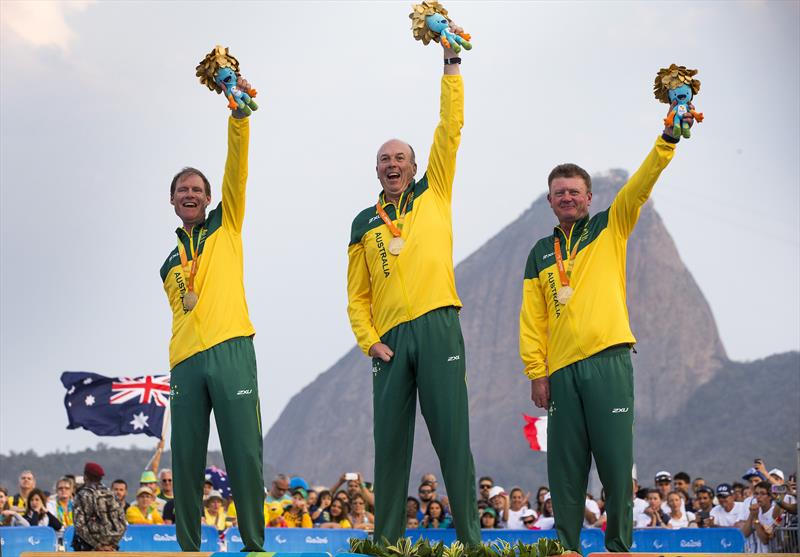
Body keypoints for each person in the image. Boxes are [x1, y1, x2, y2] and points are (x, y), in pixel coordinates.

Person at [519, 99, 688, 551]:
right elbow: (532, 319)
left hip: (609, 361)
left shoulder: (611, 226)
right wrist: (537, 370)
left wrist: (667, 139)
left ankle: (618, 546)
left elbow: (641, 184)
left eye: (575, 191)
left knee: (615, 465)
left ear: (589, 197)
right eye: (559, 192)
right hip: (562, 371)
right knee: (565, 469)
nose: (568, 197)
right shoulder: (539, 253)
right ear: (550, 200)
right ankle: (567, 546)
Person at [345, 23, 479, 547]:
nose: (392, 164)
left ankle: (471, 541)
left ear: (416, 165)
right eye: (384, 159)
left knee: (452, 439)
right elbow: (356, 293)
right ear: (376, 170)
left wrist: (450, 64)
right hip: (391, 341)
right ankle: (387, 545)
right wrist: (369, 340)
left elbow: (450, 127)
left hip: (439, 324)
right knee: (390, 448)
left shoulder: (435, 190)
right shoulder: (363, 222)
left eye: (400, 157)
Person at [161, 82, 265, 552]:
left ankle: (254, 544)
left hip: (230, 350)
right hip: (186, 360)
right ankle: (188, 547)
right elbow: (183, 310)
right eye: (182, 189)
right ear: (173, 200)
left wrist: (238, 118)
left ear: (208, 197)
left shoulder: (227, 222)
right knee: (184, 459)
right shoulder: (168, 263)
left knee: (243, 452)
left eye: (197, 189)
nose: (190, 194)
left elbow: (235, 170)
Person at [72, 462, 126, 551]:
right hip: (111, 548)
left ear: (85, 477)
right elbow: (122, 522)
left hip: (88, 548)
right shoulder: (111, 494)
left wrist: (97, 546)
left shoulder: (81, 496)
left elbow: (79, 525)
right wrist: (113, 544)